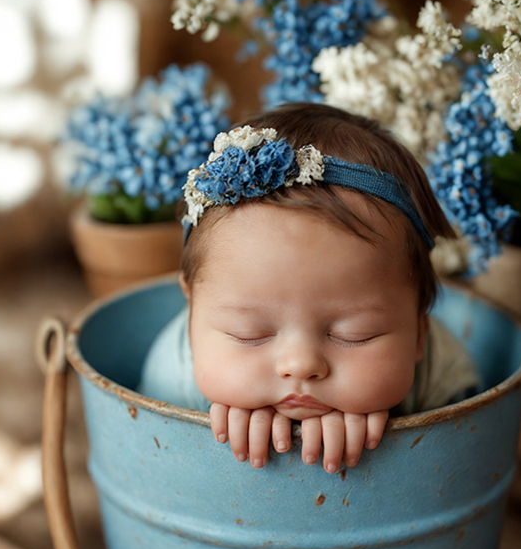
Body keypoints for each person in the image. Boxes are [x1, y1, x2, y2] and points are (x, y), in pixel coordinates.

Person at [138, 103, 479, 474]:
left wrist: (395, 428)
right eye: (248, 333)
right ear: (192, 314)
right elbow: (151, 464)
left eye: (355, 335)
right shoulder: (171, 376)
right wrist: (203, 421)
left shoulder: (442, 370)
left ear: (419, 330)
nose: (300, 364)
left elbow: (462, 460)